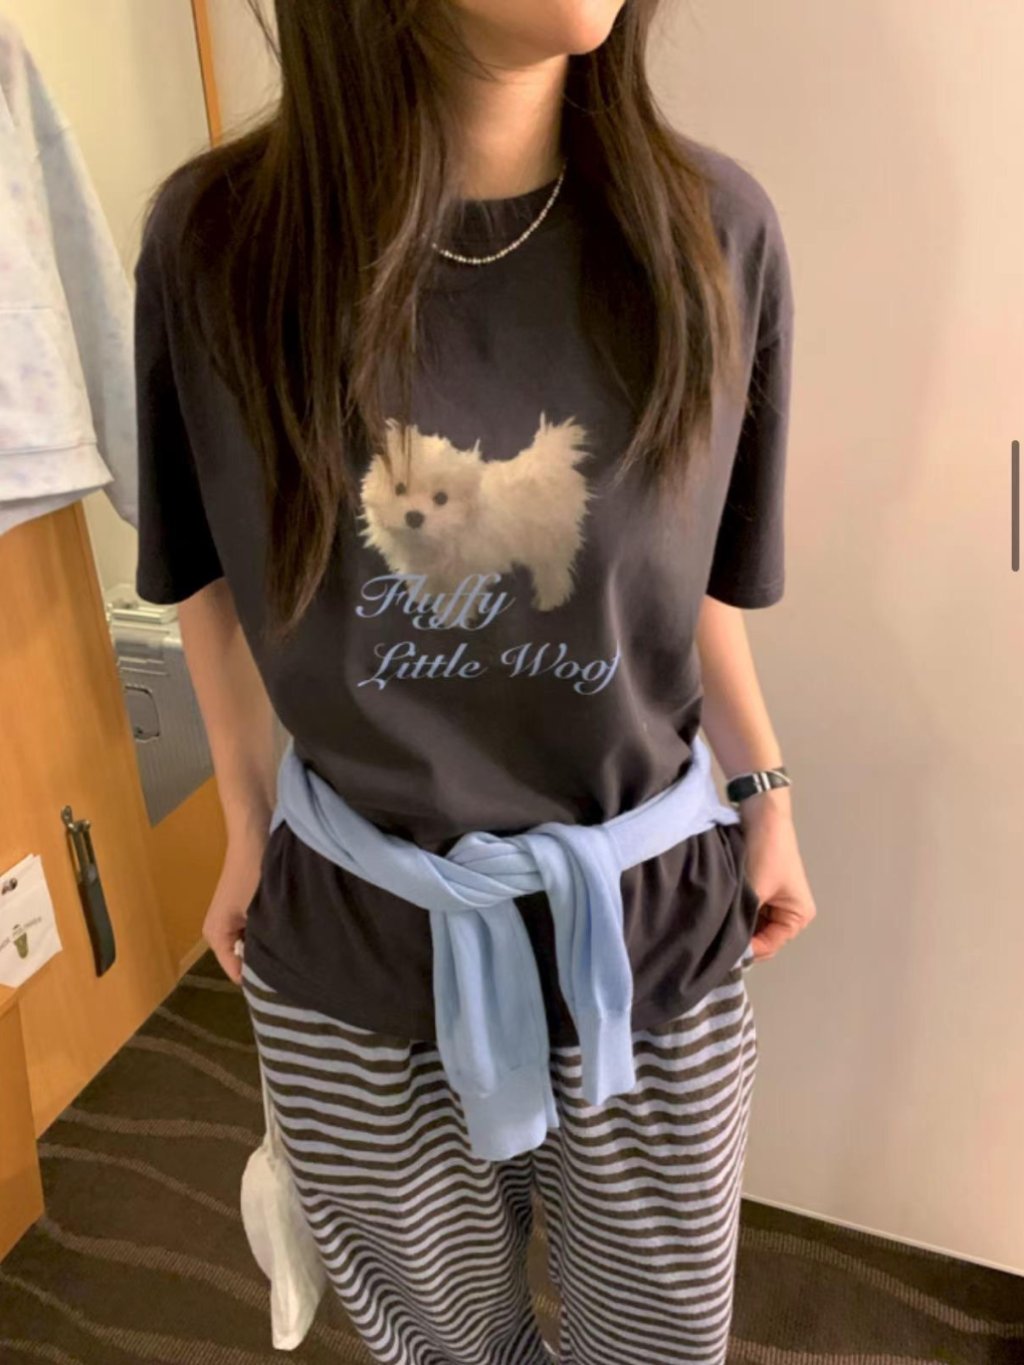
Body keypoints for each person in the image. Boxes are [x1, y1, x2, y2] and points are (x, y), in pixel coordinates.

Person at [134, 2, 817, 1361]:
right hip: (358, 937)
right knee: (439, 1346)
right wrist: (244, 821)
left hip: (646, 937)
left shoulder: (715, 234)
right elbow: (202, 575)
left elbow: (687, 594)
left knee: (661, 1344)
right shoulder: (215, 245)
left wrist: (768, 790)